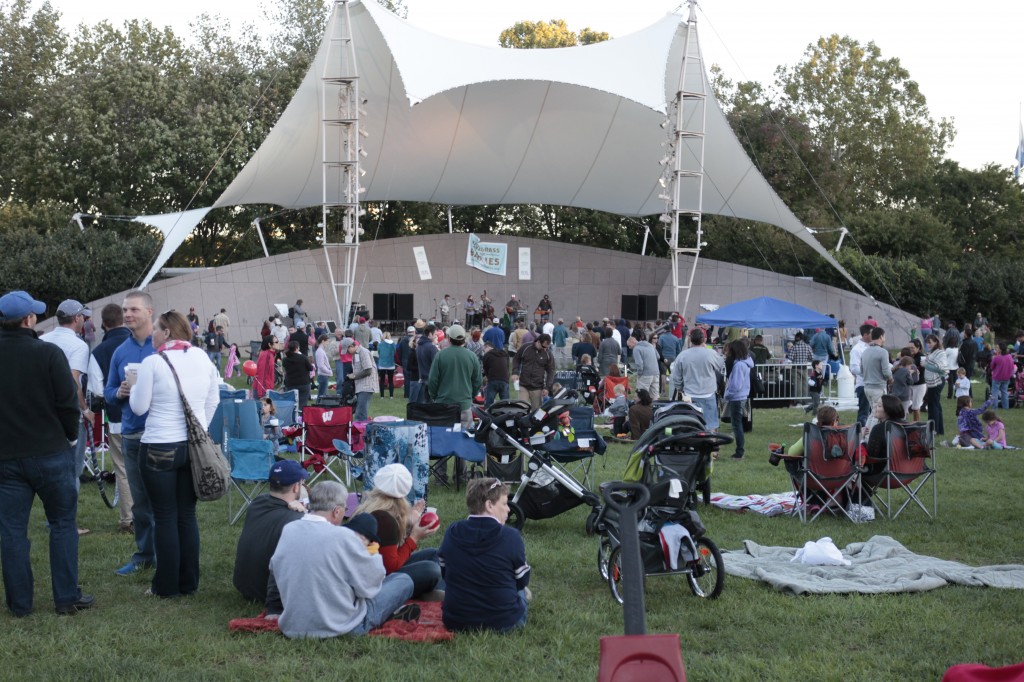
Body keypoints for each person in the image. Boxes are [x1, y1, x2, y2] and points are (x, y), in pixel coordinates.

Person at [0, 290, 92, 617]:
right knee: (63, 523)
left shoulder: (47, 351)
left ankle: (20, 604)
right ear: (29, 320)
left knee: (11, 531)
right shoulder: (49, 354)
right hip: (51, 452)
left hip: (7, 458)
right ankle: (66, 597)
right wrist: (69, 436)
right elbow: (68, 404)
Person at [129, 310, 219, 598]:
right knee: (186, 515)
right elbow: (213, 400)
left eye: (156, 328)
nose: (152, 333)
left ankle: (165, 586)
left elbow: (139, 408)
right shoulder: (202, 357)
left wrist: (131, 388)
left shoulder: (152, 362)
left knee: (165, 516)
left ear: (167, 332)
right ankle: (188, 582)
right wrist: (199, 429)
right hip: (192, 448)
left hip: (159, 447)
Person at [266, 481, 415, 638]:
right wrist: (372, 552)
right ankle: (388, 612)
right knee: (402, 580)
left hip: (293, 626)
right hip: (343, 626)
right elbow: (370, 587)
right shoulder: (344, 536)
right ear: (336, 511)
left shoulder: (289, 529)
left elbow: (275, 569)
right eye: (345, 509)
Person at [106, 290, 158, 577]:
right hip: (132, 434)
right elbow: (108, 393)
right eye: (125, 310)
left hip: (162, 435)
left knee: (164, 499)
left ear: (149, 312)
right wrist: (119, 392)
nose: (127, 315)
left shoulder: (162, 346)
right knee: (139, 502)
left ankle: (166, 554)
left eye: (133, 310)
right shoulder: (120, 351)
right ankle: (144, 555)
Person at [439, 478, 531, 633]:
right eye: (504, 503)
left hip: (456, 621)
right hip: (505, 622)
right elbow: (522, 580)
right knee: (521, 590)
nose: (508, 509)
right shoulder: (511, 536)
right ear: (489, 505)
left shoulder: (452, 531)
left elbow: (445, 573)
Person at [39, 299, 94, 532]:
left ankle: (53, 518)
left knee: (51, 469)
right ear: (77, 318)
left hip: (43, 414)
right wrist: (85, 410)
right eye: (84, 317)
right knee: (73, 469)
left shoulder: (42, 340)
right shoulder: (78, 345)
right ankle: (65, 522)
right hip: (68, 415)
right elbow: (73, 382)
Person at [354, 464, 441, 598]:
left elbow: (387, 550)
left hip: (371, 573)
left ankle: (431, 592)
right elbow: (391, 568)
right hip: (379, 584)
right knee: (431, 569)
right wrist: (414, 537)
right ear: (405, 491)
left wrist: (407, 523)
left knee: (433, 554)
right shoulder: (385, 519)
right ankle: (438, 595)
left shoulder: (371, 506)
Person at [87, 303, 135, 533]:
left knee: (123, 470)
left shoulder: (98, 352)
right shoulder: (141, 345)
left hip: (117, 418)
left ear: (104, 324)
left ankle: (128, 519)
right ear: (124, 321)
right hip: (146, 417)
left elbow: (97, 390)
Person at [233, 460, 307, 603]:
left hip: (245, 586)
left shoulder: (256, 503)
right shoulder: (297, 519)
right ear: (296, 487)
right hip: (269, 593)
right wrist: (306, 513)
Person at [428, 325, 483, 430]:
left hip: (443, 404)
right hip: (464, 405)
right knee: (464, 438)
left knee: (444, 437)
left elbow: (432, 380)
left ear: (449, 338)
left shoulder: (440, 355)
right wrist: (471, 396)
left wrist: (435, 397)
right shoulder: (472, 356)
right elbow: (478, 381)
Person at [669, 328, 724, 431]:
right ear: (703, 339)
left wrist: (680, 388)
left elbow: (676, 376)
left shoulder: (683, 355)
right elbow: (720, 364)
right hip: (708, 393)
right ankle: (711, 442)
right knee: (710, 424)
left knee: (691, 424)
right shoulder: (710, 353)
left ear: (690, 339)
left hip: (690, 394)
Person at [723, 339, 753, 460]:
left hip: (737, 397)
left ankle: (739, 451)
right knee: (737, 424)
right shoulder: (743, 363)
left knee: (737, 425)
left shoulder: (739, 365)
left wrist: (727, 395)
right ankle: (739, 450)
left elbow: (736, 385)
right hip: (740, 396)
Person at [511, 333, 555, 410]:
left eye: (547, 347)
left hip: (538, 387)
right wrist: (515, 372)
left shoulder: (548, 354)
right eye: (543, 346)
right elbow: (516, 359)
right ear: (538, 342)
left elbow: (551, 371)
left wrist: (547, 387)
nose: (545, 349)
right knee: (521, 409)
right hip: (523, 385)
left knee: (537, 412)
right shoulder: (525, 347)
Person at [860, 327, 892, 412]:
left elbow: (861, 370)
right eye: (884, 336)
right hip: (878, 387)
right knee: (878, 414)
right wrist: (891, 378)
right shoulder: (883, 352)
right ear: (881, 336)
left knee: (873, 413)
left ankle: (867, 426)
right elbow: (886, 371)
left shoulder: (865, 352)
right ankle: (873, 426)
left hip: (867, 387)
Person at [848, 324, 874, 427]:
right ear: (865, 335)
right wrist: (869, 373)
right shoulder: (857, 349)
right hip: (863, 384)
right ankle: (860, 435)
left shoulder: (872, 346)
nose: (874, 335)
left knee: (874, 412)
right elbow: (854, 368)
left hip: (872, 383)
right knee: (864, 413)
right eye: (872, 333)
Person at [348, 338, 379, 422]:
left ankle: (359, 432)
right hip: (361, 385)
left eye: (347, 350)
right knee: (360, 410)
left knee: (360, 413)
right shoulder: (356, 353)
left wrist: (354, 376)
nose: (347, 353)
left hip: (366, 385)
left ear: (351, 346)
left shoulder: (363, 352)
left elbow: (368, 370)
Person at [922, 334, 947, 435]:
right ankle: (938, 429)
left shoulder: (940, 353)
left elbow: (940, 368)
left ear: (936, 342)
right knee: (935, 404)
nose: (928, 344)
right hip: (933, 382)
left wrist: (926, 365)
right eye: (927, 342)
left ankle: (934, 429)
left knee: (933, 405)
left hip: (937, 381)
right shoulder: (932, 352)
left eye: (930, 342)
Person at [282, 340, 313, 411]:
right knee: (302, 404)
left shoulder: (285, 360)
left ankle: (292, 418)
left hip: (290, 384)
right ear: (297, 348)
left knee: (291, 404)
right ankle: (300, 419)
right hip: (303, 383)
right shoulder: (303, 357)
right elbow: (310, 368)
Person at [628, 334, 660, 401]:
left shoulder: (636, 349)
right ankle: (655, 409)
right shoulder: (650, 345)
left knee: (641, 394)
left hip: (645, 374)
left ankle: (641, 409)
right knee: (654, 395)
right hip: (656, 372)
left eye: (629, 345)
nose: (629, 348)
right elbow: (658, 357)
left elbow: (639, 364)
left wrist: (639, 374)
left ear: (633, 342)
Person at [482, 341, 511, 408]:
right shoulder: (504, 353)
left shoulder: (487, 355)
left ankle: (487, 417)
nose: (484, 352)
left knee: (489, 402)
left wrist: (487, 377)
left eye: (484, 350)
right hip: (505, 379)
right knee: (506, 403)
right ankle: (506, 416)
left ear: (487, 347)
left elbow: (485, 369)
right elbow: (507, 366)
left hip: (493, 379)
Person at [415, 324, 439, 404]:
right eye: (435, 334)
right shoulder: (431, 347)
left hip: (422, 379)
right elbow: (437, 365)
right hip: (431, 380)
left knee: (424, 405)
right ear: (429, 334)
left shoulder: (419, 346)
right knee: (431, 406)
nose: (436, 336)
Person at [989, 342, 1015, 410]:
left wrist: (992, 359)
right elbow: (1012, 367)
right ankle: (1005, 407)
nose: (995, 349)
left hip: (997, 377)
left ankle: (995, 407)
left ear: (1000, 349)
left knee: (995, 392)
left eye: (997, 347)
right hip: (1006, 377)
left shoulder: (996, 358)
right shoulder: (1009, 356)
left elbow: (991, 367)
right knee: (1004, 392)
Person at [376, 331, 397, 398]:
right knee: (390, 380)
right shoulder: (393, 344)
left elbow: (379, 352)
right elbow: (395, 352)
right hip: (391, 364)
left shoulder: (380, 344)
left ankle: (382, 396)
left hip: (382, 364)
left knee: (382, 380)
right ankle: (391, 396)